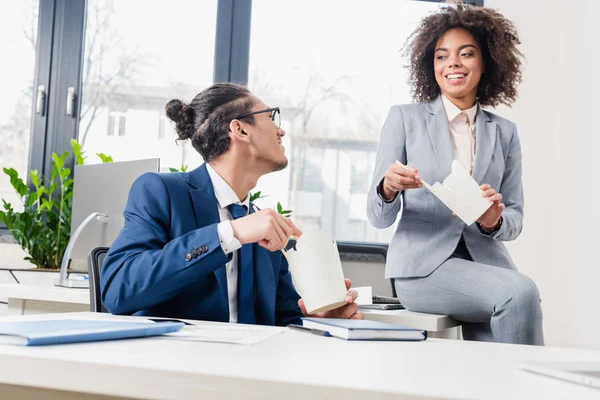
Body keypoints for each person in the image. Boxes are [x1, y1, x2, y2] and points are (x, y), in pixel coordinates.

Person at [101, 83, 363, 326]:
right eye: (271, 118)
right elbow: (117, 290)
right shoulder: (161, 192)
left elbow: (283, 319)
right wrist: (230, 233)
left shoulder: (263, 224)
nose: (281, 130)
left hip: (250, 370)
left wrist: (322, 317)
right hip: (179, 368)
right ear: (240, 129)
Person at [367, 2, 543, 345]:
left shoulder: (504, 132)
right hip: (423, 269)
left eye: (466, 54)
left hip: (485, 265)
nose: (453, 64)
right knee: (519, 294)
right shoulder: (405, 119)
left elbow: (515, 217)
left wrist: (492, 220)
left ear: (486, 61)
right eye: (442, 56)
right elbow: (377, 218)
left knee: (498, 350)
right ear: (429, 64)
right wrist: (387, 189)